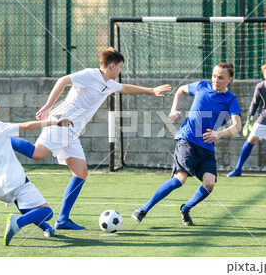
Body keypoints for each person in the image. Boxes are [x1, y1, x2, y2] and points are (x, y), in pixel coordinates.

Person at [11, 47, 171, 230]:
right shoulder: (90, 75)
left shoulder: (110, 83)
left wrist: (151, 91)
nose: (120, 71)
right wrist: (48, 106)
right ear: (112, 66)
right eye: (119, 67)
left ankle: (63, 220)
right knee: (38, 153)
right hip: (61, 122)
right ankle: (4, 138)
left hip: (71, 132)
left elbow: (125, 88)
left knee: (81, 173)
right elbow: (63, 80)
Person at [132, 63, 242, 226]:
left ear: (229, 79)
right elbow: (181, 90)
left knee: (209, 183)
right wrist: (174, 109)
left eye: (221, 78)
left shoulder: (230, 99)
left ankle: (186, 208)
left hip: (207, 146)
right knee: (179, 179)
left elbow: (237, 126)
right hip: (187, 140)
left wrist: (219, 134)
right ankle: (143, 209)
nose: (216, 80)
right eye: (214, 76)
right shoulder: (202, 86)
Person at [0, 101, 74, 246]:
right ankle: (17, 223)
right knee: (47, 212)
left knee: (22, 202)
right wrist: (55, 122)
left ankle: (46, 228)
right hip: (15, 181)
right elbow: (26, 126)